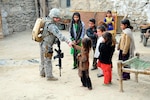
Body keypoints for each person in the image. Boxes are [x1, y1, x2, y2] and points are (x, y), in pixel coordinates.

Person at [39, 8, 72, 81]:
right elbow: (60, 35)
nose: (57, 19)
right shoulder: (52, 26)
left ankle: (42, 72)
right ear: (52, 17)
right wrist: (68, 41)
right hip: (47, 44)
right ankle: (49, 76)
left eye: (58, 18)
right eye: (56, 18)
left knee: (42, 58)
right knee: (48, 59)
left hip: (42, 42)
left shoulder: (46, 21)